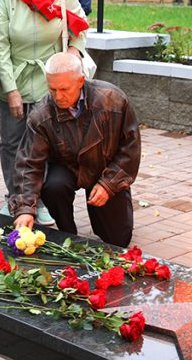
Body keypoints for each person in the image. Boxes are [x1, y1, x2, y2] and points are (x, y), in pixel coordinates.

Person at [0, 0, 94, 225]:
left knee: (46, 142)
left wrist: (71, 56)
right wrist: (11, 90)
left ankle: (39, 201)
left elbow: (79, 26)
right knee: (13, 141)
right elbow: (0, 44)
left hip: (51, 78)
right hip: (13, 73)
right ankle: (15, 198)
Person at [12, 52, 140, 247]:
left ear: (81, 81)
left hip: (104, 167)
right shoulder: (41, 114)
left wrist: (109, 184)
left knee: (118, 240)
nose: (58, 96)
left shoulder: (113, 100)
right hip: (67, 166)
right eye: (52, 89)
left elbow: (130, 149)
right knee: (54, 186)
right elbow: (29, 163)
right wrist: (25, 208)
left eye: (64, 89)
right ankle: (67, 233)